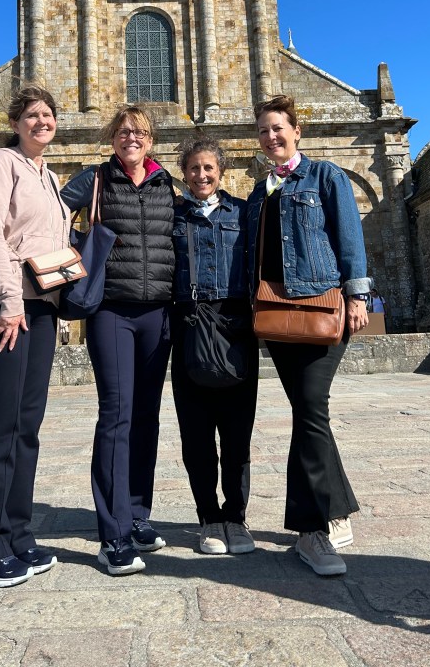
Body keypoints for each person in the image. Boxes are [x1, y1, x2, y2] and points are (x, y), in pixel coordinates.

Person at [246, 95, 371, 578]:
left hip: (322, 307)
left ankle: (310, 527)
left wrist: (358, 295)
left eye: (278, 128)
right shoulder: (259, 192)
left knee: (311, 406)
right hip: (277, 316)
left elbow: (349, 237)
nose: (271, 136)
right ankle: (335, 508)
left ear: (296, 131)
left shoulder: (325, 176)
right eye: (263, 130)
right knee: (307, 411)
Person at [0, 83, 69, 587]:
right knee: (1, 422)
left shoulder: (49, 176)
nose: (41, 122)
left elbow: (48, 243)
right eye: (31, 115)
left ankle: (17, 535)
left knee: (27, 425)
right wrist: (9, 301)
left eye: (48, 115)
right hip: (3, 304)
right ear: (15, 123)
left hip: (40, 306)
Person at [61, 106, 175, 576]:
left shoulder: (166, 183)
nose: (132, 138)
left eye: (140, 132)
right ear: (113, 138)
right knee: (116, 414)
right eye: (124, 131)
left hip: (158, 312)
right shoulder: (95, 179)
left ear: (151, 140)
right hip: (110, 310)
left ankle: (137, 514)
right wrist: (73, 254)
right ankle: (113, 535)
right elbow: (51, 213)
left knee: (146, 416)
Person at [171, 138, 259, 556]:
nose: (201, 175)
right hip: (189, 325)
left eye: (208, 168)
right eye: (193, 168)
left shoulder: (242, 212)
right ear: (184, 173)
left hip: (235, 326)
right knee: (197, 434)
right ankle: (208, 516)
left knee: (237, 433)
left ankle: (236, 517)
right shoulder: (173, 215)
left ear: (221, 171)